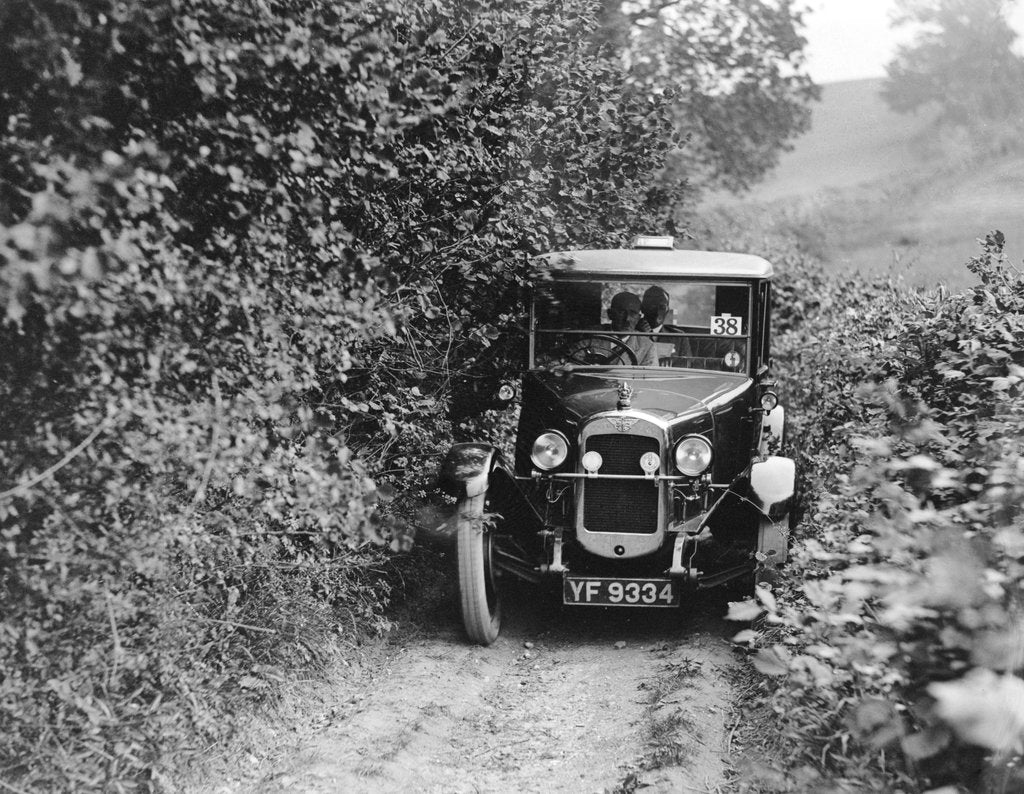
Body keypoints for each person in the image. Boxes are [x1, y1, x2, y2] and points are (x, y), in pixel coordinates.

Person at [602, 291, 658, 366]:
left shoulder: (647, 346)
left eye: (633, 313)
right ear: (610, 314)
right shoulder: (590, 337)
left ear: (638, 318)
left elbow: (650, 376)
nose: (627, 319)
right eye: (621, 312)